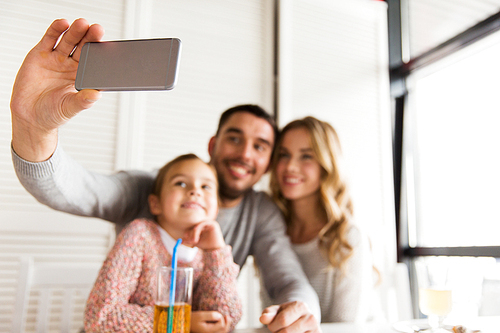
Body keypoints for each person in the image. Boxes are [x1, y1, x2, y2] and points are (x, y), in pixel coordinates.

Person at [10, 18, 321, 333]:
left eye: (261, 146)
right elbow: (72, 190)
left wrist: (302, 310)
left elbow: (285, 281)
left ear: (267, 162)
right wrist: (34, 128)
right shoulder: (152, 187)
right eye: (235, 138)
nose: (245, 154)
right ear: (213, 145)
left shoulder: (258, 214)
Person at [85, 154, 242, 332]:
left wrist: (217, 251)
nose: (195, 191)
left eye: (206, 186)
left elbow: (225, 317)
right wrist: (180, 322)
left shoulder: (212, 255)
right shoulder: (140, 236)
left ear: (216, 209)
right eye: (181, 183)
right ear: (155, 203)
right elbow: (100, 317)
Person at [266, 116, 375, 322]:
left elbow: (346, 326)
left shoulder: (348, 237)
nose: (290, 166)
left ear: (327, 164)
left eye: (306, 156)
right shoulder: (271, 233)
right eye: (283, 155)